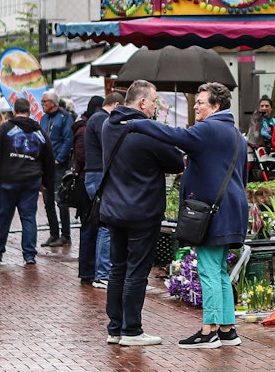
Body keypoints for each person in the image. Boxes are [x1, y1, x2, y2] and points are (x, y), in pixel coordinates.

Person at [129, 82, 248, 348]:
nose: (195, 107)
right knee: (218, 270)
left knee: (208, 269)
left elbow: (174, 135)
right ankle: (228, 330)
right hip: (232, 209)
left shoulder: (208, 129)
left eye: (201, 102)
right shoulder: (236, 134)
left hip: (212, 211)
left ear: (216, 106)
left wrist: (136, 123)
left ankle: (209, 331)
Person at [97, 81, 186, 346]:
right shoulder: (147, 131)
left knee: (117, 268)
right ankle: (132, 330)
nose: (156, 107)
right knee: (137, 270)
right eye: (154, 101)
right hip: (141, 210)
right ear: (142, 103)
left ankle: (115, 327)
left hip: (114, 209)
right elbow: (174, 162)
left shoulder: (108, 125)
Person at [0, 98, 52, 267]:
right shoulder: (40, 132)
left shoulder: (4, 129)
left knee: (3, 216)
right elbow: (48, 158)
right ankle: (29, 254)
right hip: (31, 180)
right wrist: (46, 181)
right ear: (29, 111)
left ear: (14, 111)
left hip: (7, 179)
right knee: (29, 217)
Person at [77, 94, 113, 288]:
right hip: (96, 175)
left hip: (89, 176)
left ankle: (91, 272)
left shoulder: (91, 120)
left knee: (94, 226)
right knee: (103, 226)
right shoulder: (100, 119)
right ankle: (101, 273)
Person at [39, 94, 75, 248]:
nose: (42, 104)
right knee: (47, 201)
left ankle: (65, 235)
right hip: (45, 165)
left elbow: (68, 139)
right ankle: (54, 234)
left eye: (44, 102)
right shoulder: (44, 118)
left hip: (59, 166)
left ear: (52, 103)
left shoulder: (65, 118)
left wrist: (59, 158)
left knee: (61, 200)